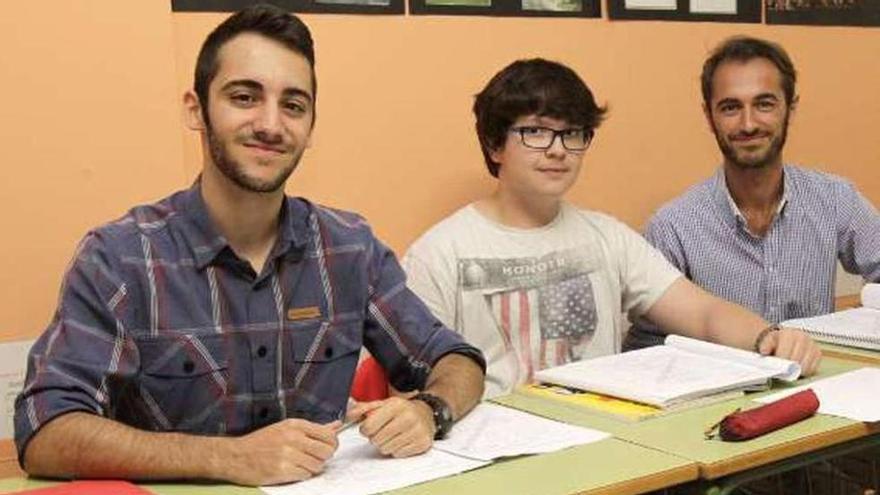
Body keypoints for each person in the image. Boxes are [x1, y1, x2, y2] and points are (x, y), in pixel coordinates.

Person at [14, 4, 485, 486]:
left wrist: (431, 410)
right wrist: (229, 458)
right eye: (244, 97)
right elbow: (47, 432)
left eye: (294, 105)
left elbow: (455, 359)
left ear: (311, 126)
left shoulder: (349, 249)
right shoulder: (119, 259)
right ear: (195, 109)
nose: (271, 124)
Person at [402, 58, 821, 399]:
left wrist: (768, 336)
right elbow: (413, 383)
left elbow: (703, 312)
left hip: (606, 439)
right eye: (535, 132)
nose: (557, 150)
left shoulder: (607, 237)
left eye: (572, 134)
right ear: (495, 145)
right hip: (493, 450)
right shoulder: (439, 253)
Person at [625, 36, 880, 351]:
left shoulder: (836, 199)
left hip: (817, 387)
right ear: (709, 117)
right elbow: (644, 348)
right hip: (719, 392)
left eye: (764, 104)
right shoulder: (673, 227)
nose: (748, 124)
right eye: (731, 107)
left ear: (790, 108)